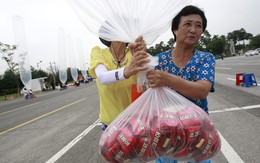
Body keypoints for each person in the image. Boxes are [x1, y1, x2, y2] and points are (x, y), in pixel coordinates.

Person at [145, 5, 215, 163]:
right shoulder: (159, 60)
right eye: (188, 24)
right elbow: (143, 82)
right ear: (175, 29)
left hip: (198, 131)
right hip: (166, 131)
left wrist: (167, 79)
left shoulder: (205, 58)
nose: (193, 30)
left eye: (198, 26)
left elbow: (202, 91)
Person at [88, 36, 149, 130]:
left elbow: (146, 80)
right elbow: (103, 77)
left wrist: (143, 55)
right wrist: (126, 71)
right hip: (111, 123)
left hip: (135, 121)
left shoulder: (134, 52)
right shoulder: (99, 52)